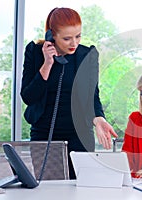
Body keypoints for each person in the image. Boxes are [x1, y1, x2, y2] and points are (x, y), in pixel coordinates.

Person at [20, 7, 117, 179]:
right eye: (67, 38)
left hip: (79, 134)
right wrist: (47, 64)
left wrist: (99, 118)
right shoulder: (35, 52)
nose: (74, 43)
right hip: (44, 133)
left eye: (78, 36)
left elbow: (92, 96)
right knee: (47, 189)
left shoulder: (87, 55)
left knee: (80, 188)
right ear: (52, 35)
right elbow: (28, 97)